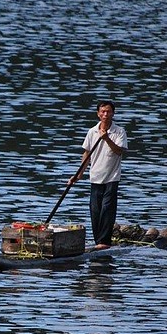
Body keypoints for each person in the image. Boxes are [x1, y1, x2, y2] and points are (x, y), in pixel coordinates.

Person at [66, 100, 128, 250]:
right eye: (103, 112)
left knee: (107, 208)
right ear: (98, 114)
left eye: (108, 112)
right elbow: (86, 153)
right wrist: (79, 175)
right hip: (95, 177)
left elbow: (119, 151)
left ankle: (104, 242)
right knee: (95, 210)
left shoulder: (119, 131)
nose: (105, 114)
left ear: (113, 113)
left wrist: (106, 138)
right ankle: (97, 241)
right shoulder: (92, 131)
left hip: (111, 177)